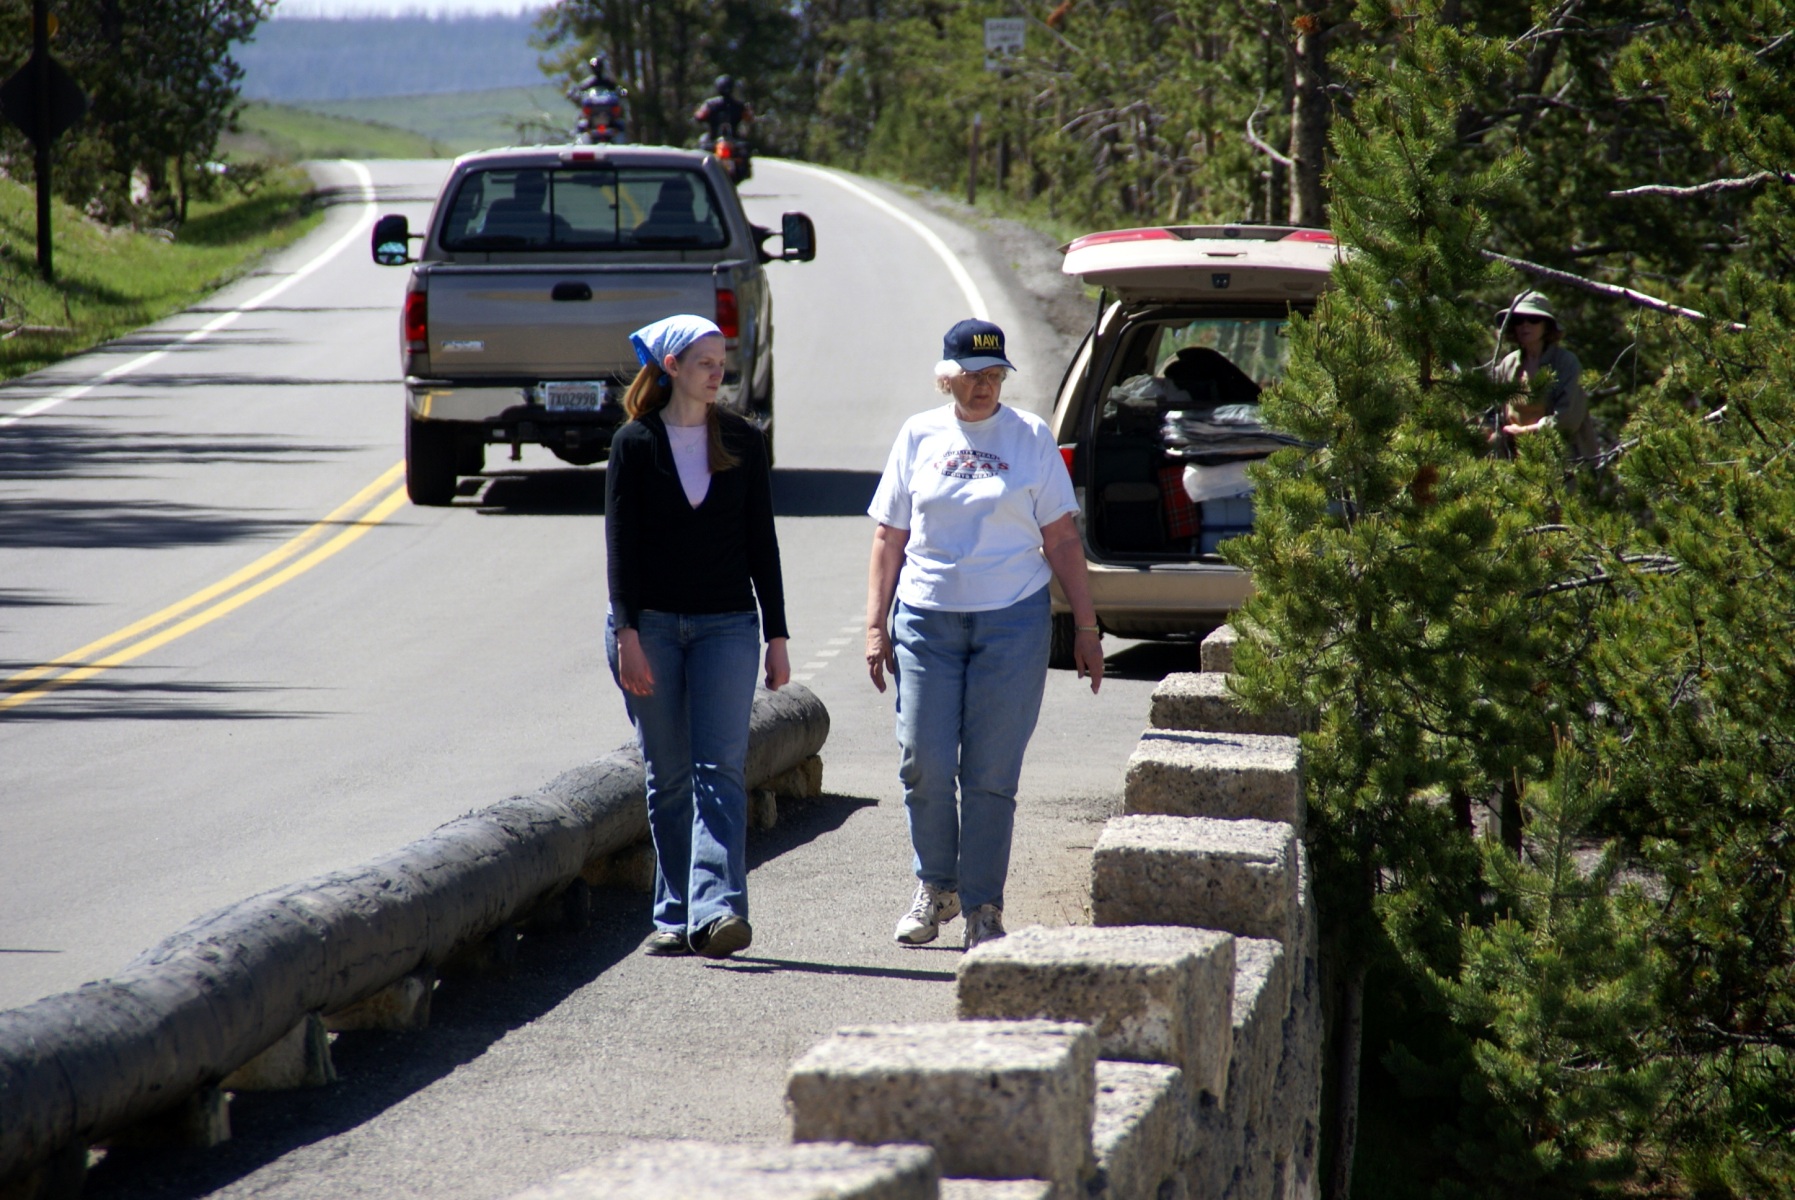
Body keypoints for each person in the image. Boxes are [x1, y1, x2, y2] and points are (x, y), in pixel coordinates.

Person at [865, 318, 1105, 951]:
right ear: (947, 378)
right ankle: (936, 887)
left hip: (1012, 620)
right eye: (972, 375)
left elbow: (1062, 538)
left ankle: (983, 908)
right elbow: (889, 535)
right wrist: (874, 625)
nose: (984, 386)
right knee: (923, 761)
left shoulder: (1030, 437)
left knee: (991, 774)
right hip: (926, 619)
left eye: (995, 374)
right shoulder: (918, 434)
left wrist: (1086, 627)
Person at [605, 314, 790, 959]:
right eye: (705, 362)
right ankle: (676, 911)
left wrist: (777, 635)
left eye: (721, 362)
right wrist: (626, 632)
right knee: (669, 774)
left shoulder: (742, 438)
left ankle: (716, 912)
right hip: (650, 627)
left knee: (721, 770)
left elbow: (762, 541)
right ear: (672, 368)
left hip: (728, 626)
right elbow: (621, 547)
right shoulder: (634, 443)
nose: (718, 373)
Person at [1490, 290, 1601, 461]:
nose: (1525, 325)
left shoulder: (1565, 363)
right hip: (1517, 462)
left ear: (1547, 326)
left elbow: (1568, 420)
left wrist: (1525, 432)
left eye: (1533, 319)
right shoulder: (1508, 364)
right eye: (1519, 320)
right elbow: (1496, 412)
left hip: (1563, 461)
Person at [694, 74, 752, 141]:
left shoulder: (710, 104)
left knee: (702, 141)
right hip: (734, 139)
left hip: (713, 139)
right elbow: (748, 118)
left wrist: (697, 115)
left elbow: (699, 116)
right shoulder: (739, 106)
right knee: (745, 143)